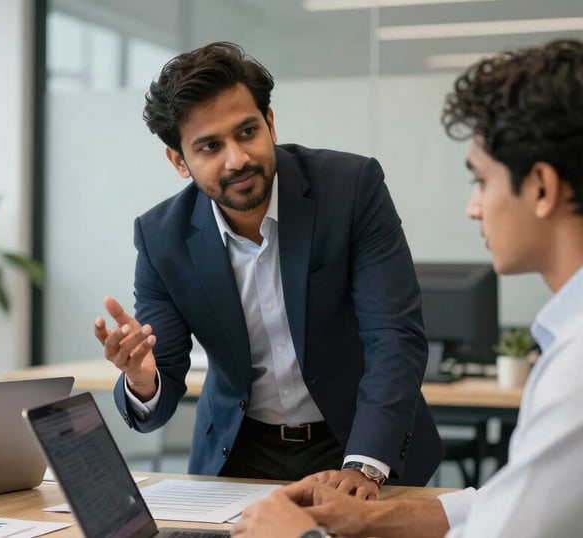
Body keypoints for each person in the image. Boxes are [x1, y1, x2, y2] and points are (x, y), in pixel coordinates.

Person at [231, 38, 583, 538]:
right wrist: (371, 518)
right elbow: (509, 505)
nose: (473, 208)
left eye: (481, 181)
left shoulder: (576, 370)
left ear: (542, 188)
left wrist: (296, 535)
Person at [94, 41, 441, 491]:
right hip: (240, 455)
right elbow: (163, 380)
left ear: (270, 124)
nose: (237, 158)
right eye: (209, 146)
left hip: (357, 441)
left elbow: (394, 336)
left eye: (246, 132)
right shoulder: (163, 238)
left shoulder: (351, 190)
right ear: (179, 161)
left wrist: (364, 466)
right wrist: (142, 378)